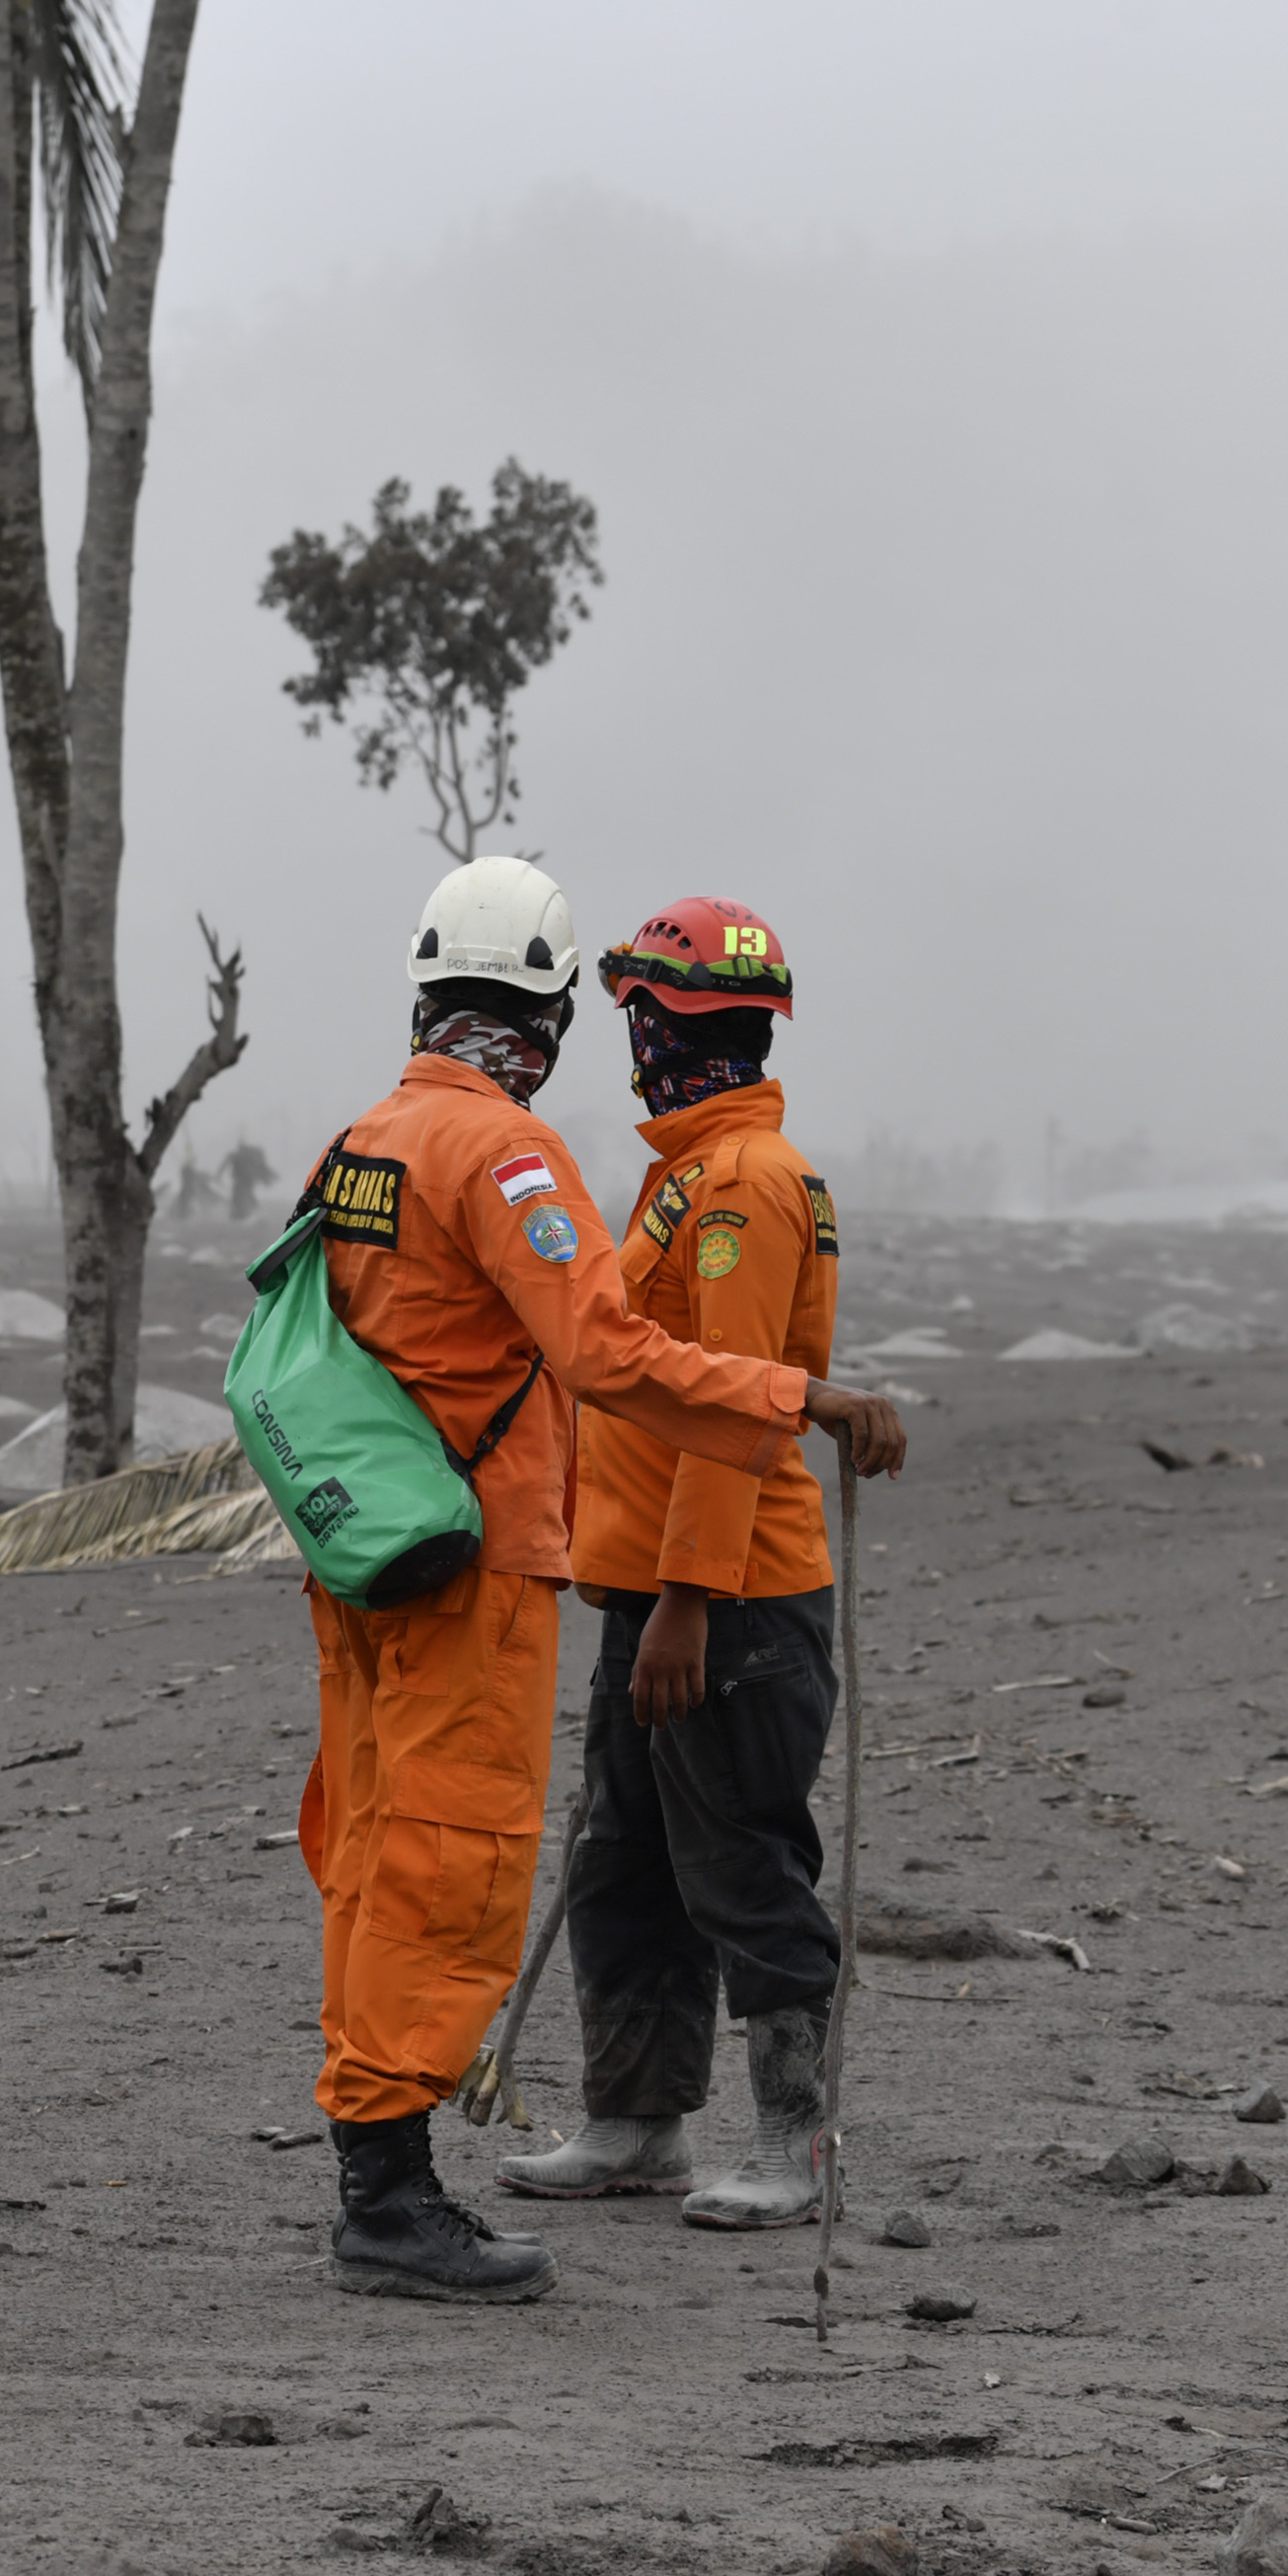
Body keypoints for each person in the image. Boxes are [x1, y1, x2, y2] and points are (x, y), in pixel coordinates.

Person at [292, 858, 906, 2304]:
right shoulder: (511, 1160)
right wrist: (802, 1401)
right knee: (458, 1857)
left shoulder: (366, 1141)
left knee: (455, 1847)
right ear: (558, 1010)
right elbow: (610, 1358)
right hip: (477, 1563)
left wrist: (691, 1581)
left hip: (398, 1556)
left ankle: (763, 2137)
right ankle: (391, 2188)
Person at [498, 896, 851, 2230]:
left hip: (731, 1601)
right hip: (653, 1592)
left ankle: (795, 2148)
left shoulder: (745, 1189)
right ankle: (637, 2125)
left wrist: (689, 1606)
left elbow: (738, 1406)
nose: (631, 1040)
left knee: (743, 1866)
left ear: (661, 1023)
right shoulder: (687, 1174)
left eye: (638, 1016)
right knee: (625, 1861)